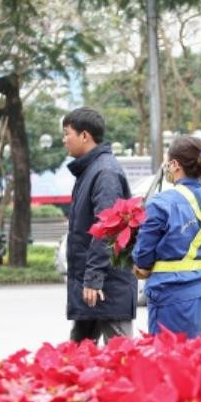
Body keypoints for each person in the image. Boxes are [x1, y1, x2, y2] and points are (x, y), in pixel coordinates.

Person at [131, 135, 201, 339]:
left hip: (175, 300)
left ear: (174, 164)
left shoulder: (160, 204)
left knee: (173, 365)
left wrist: (141, 267)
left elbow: (143, 257)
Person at [62, 107, 137, 343]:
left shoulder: (104, 172)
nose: (64, 140)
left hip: (106, 285)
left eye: (67, 133)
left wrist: (93, 277)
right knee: (78, 358)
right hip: (94, 284)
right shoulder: (91, 170)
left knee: (122, 357)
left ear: (85, 136)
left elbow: (108, 227)